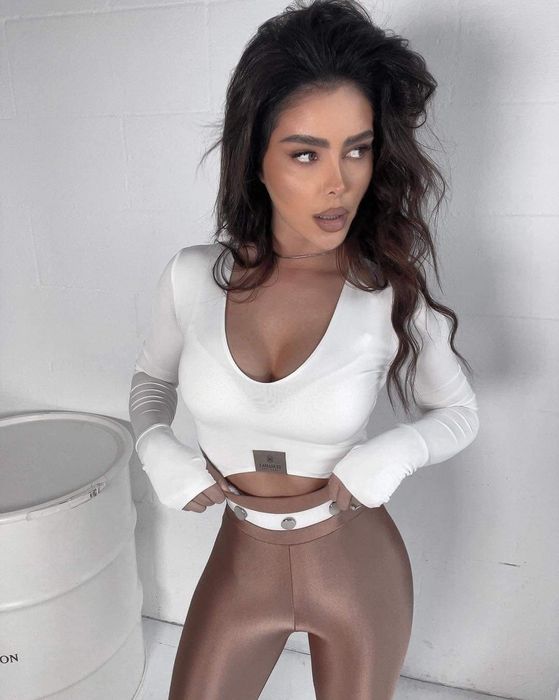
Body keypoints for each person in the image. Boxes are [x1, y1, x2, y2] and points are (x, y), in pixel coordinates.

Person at [128, 1, 480, 698]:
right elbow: (151, 380)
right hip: (242, 561)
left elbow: (459, 412)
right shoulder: (192, 277)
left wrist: (396, 451)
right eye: (305, 153)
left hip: (356, 565)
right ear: (255, 159)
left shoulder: (387, 291)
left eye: (357, 148)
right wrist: (154, 445)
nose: (338, 181)